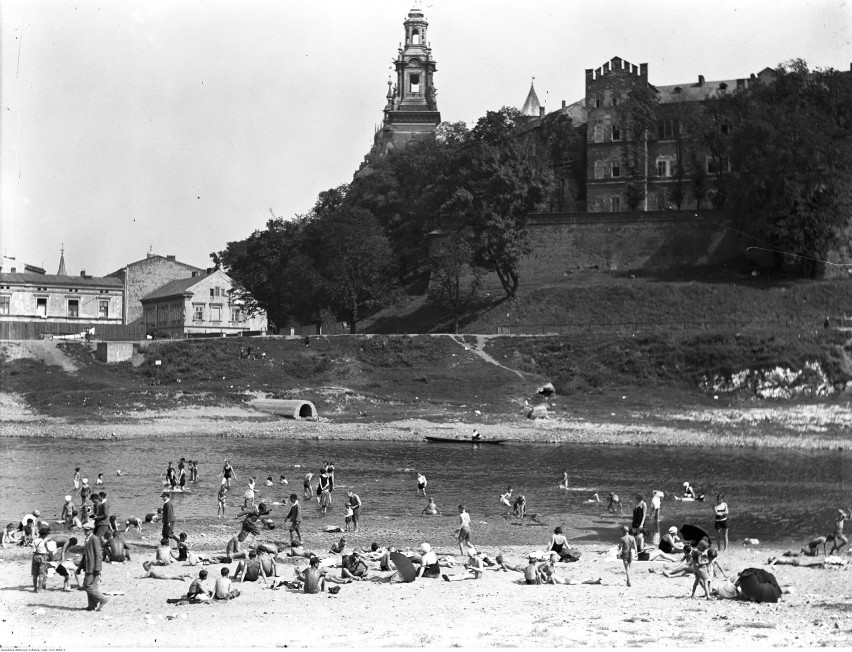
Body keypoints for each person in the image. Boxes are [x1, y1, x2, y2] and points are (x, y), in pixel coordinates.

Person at [76, 522, 108, 611]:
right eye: (84, 530)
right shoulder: (87, 539)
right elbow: (85, 554)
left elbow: (98, 555)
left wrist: (98, 568)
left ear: (91, 530)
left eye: (87, 530)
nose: (85, 532)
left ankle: (102, 599)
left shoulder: (94, 539)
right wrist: (80, 567)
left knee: (87, 586)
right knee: (92, 586)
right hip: (88, 565)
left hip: (92, 566)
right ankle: (91, 605)